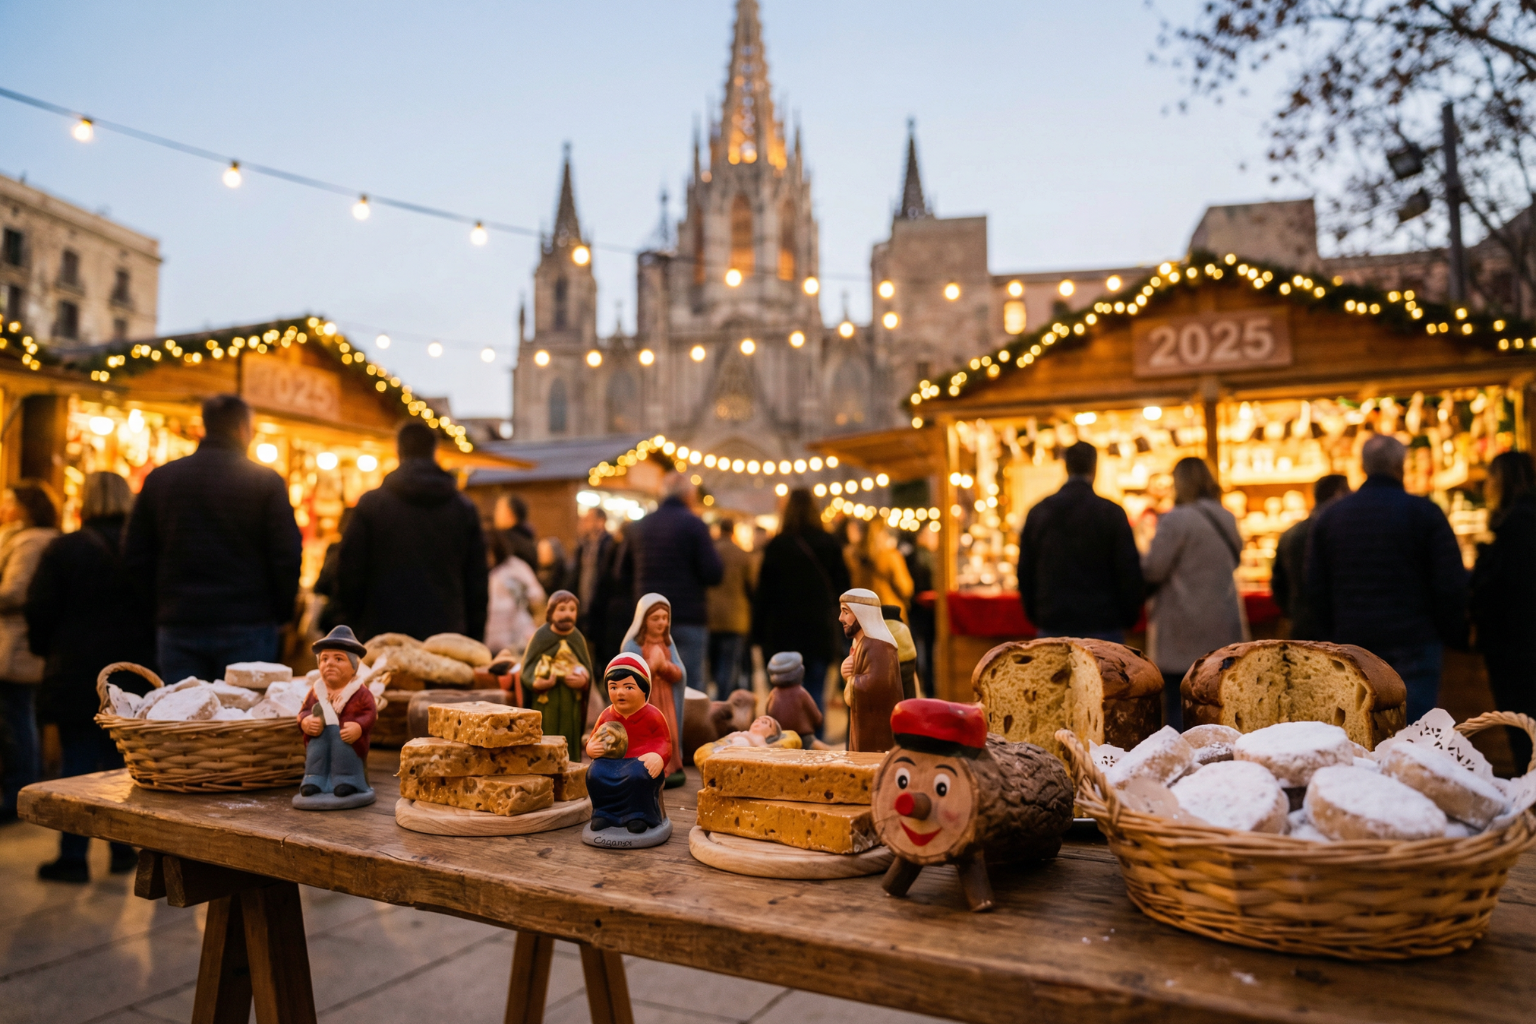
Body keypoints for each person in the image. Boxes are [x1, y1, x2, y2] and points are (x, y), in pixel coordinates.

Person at [26, 472, 153, 879]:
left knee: (78, 763)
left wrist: (48, 650)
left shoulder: (65, 548)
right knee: (123, 763)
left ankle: (73, 855)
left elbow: (40, 608)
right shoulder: (143, 551)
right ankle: (121, 849)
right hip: (130, 671)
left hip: (76, 668)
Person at [124, 394, 302, 684]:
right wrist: (282, 614)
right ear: (244, 429)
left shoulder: (162, 479)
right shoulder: (264, 482)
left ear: (205, 426)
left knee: (183, 719)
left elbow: (135, 556)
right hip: (248, 622)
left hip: (180, 621)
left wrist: (160, 607)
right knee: (243, 721)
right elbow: (287, 555)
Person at [1308, 434, 1469, 721]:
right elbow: (1450, 584)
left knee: (1361, 733)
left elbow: (1314, 588)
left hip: (1353, 642)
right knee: (1415, 737)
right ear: (1400, 465)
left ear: (1363, 467)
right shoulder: (1425, 513)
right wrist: (1451, 633)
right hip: (1414, 640)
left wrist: (1331, 636)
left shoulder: (1332, 517)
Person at [338, 421, 488, 641]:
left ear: (398, 451)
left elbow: (349, 574)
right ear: (434, 451)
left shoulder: (372, 505)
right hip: (446, 637)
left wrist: (354, 628)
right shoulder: (463, 509)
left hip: (382, 635)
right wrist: (474, 640)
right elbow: (477, 582)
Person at [1142, 457, 1247, 729]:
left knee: (1181, 706)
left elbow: (1153, 569)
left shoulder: (1175, 520)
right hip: (1222, 622)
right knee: (1218, 703)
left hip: (1182, 625)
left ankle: (1187, 768)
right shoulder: (1225, 516)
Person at [1017, 441, 1144, 642]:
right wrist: (1128, 617)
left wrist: (1038, 615)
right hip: (1102, 623)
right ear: (1095, 468)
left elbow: (1025, 572)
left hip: (1054, 622)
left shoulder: (1039, 512)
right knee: (1104, 674)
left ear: (1065, 467)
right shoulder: (1110, 513)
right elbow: (1128, 571)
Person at [751, 488, 851, 737]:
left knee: (782, 696)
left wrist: (756, 635)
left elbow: (763, 594)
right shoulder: (829, 544)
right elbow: (844, 589)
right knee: (815, 693)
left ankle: (784, 748)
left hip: (782, 634)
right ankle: (815, 749)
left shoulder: (777, 545)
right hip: (818, 631)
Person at [631, 472, 722, 702]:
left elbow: (622, 573)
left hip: (647, 619)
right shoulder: (694, 525)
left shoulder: (641, 526)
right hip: (688, 616)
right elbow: (713, 573)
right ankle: (690, 738)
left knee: (649, 687)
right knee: (690, 687)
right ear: (689, 495)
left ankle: (654, 736)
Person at [1471, 451, 1536, 771]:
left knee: (1522, 723)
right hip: (1521, 638)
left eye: (1491, 478)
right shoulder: (1522, 519)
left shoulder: (1515, 524)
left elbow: (1504, 585)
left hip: (1515, 643)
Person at [0, 482, 60, 825]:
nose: (5, 508)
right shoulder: (26, 538)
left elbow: (15, 592)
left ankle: (18, 795)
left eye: (10, 502)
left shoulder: (29, 542)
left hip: (16, 643)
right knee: (21, 717)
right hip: (20, 641)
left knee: (17, 720)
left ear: (26, 508)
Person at [295, 626, 376, 809]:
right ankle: (314, 780)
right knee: (316, 754)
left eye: (338, 659)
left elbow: (370, 713)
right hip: (320, 737)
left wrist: (359, 727)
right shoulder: (316, 691)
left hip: (347, 740)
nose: (329, 664)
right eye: (324, 659)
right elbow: (303, 711)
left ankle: (348, 781)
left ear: (354, 667)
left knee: (344, 754)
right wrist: (306, 721)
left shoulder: (360, 692)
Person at [1270, 474, 1350, 640]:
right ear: (1338, 493)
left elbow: (1278, 584)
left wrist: (1292, 612)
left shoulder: (1290, 533)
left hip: (1301, 624)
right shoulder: (1341, 531)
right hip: (1336, 627)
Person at [518, 589, 593, 760]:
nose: (567, 614)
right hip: (546, 701)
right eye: (562, 609)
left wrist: (583, 681)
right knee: (547, 737)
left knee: (569, 738)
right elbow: (527, 668)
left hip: (570, 701)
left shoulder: (577, 638)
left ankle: (571, 767)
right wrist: (536, 683)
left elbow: (586, 669)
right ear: (551, 612)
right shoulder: (540, 637)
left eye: (572, 610)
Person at [622, 593, 686, 786]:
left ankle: (670, 766)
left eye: (665, 618)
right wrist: (651, 666)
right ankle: (645, 767)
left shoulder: (667, 644)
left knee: (668, 733)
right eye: (655, 618)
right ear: (643, 620)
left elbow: (680, 673)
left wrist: (665, 667)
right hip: (644, 702)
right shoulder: (633, 645)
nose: (661, 623)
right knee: (647, 734)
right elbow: (626, 675)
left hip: (666, 699)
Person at [838, 588, 903, 752]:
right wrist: (849, 674)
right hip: (864, 723)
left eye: (846, 612)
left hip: (876, 730)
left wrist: (851, 680)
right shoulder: (861, 643)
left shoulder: (878, 647)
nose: (841, 618)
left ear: (862, 614)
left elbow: (876, 685)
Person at [706, 517, 756, 695]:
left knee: (709, 662)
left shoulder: (710, 552)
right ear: (733, 531)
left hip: (709, 616)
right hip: (736, 617)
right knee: (728, 665)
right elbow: (751, 586)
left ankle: (708, 702)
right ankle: (723, 700)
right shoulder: (742, 554)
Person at [485, 531, 545, 660]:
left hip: (516, 643)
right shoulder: (480, 570)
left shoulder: (515, 567)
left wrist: (538, 632)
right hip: (487, 645)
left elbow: (538, 600)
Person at [845, 518, 914, 614]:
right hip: (888, 611)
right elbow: (905, 587)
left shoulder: (852, 556)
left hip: (862, 611)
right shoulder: (890, 557)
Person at [573, 507, 613, 644]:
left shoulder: (610, 544)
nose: (584, 523)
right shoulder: (583, 545)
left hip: (602, 608)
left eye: (588, 520)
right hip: (583, 606)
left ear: (600, 522)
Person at [495, 494, 539, 570]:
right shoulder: (529, 540)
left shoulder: (504, 542)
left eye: (498, 509)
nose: (495, 513)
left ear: (508, 513)